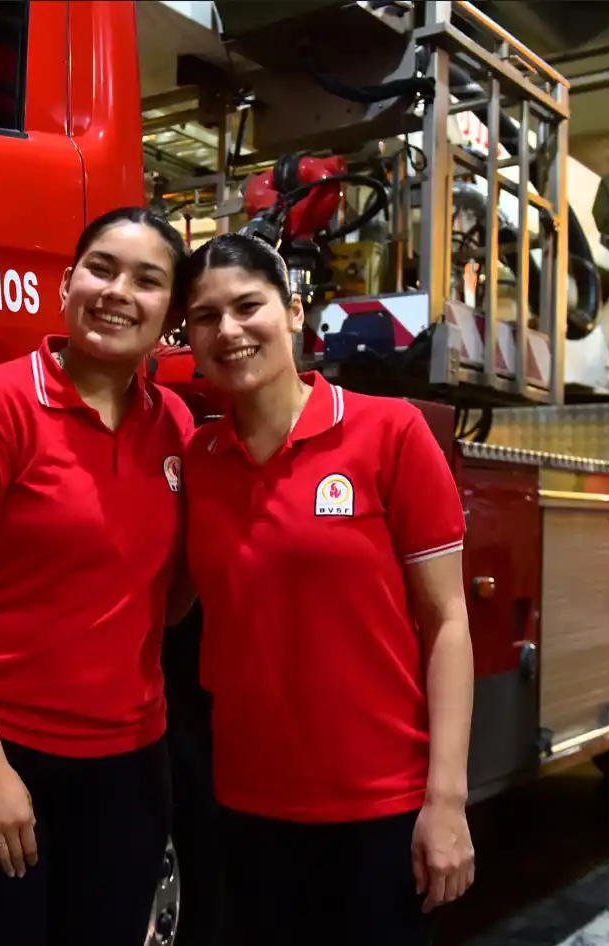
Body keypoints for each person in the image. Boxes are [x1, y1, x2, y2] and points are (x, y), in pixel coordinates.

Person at [0, 206, 195, 946]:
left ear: (171, 316)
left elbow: (175, 598)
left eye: (147, 281)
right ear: (66, 285)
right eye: (101, 269)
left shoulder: (176, 425)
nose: (118, 291)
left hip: (125, 762)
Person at [176, 233, 476, 944]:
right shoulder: (200, 458)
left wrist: (446, 800)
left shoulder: (389, 433)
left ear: (293, 313)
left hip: (380, 810)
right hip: (248, 805)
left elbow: (448, 624)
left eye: (248, 306)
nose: (229, 330)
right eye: (205, 317)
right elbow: (168, 605)